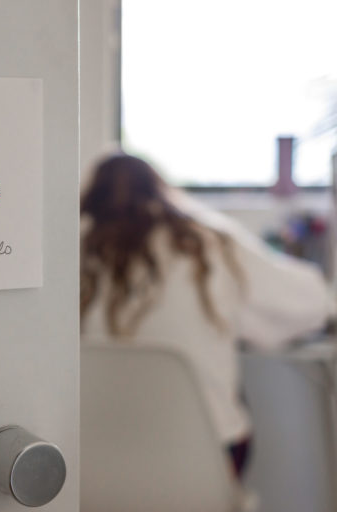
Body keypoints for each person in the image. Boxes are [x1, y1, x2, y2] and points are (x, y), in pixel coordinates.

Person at [79, 152, 335, 477]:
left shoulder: (69, 248)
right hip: (203, 459)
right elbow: (310, 301)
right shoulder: (207, 243)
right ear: (159, 190)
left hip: (94, 458)